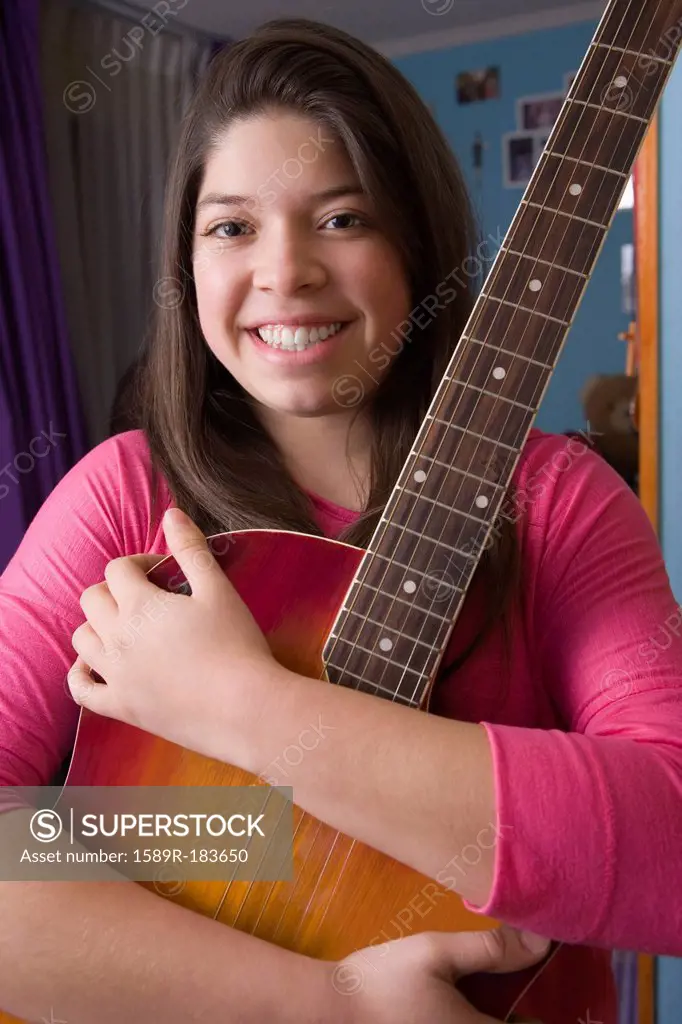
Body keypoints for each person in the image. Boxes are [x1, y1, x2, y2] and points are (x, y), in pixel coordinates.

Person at [0, 16, 681, 1024]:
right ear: (184, 266)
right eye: (232, 226)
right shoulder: (124, 497)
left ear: (418, 241)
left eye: (343, 219)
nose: (286, 274)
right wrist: (329, 997)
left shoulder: (559, 501)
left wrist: (244, 708)